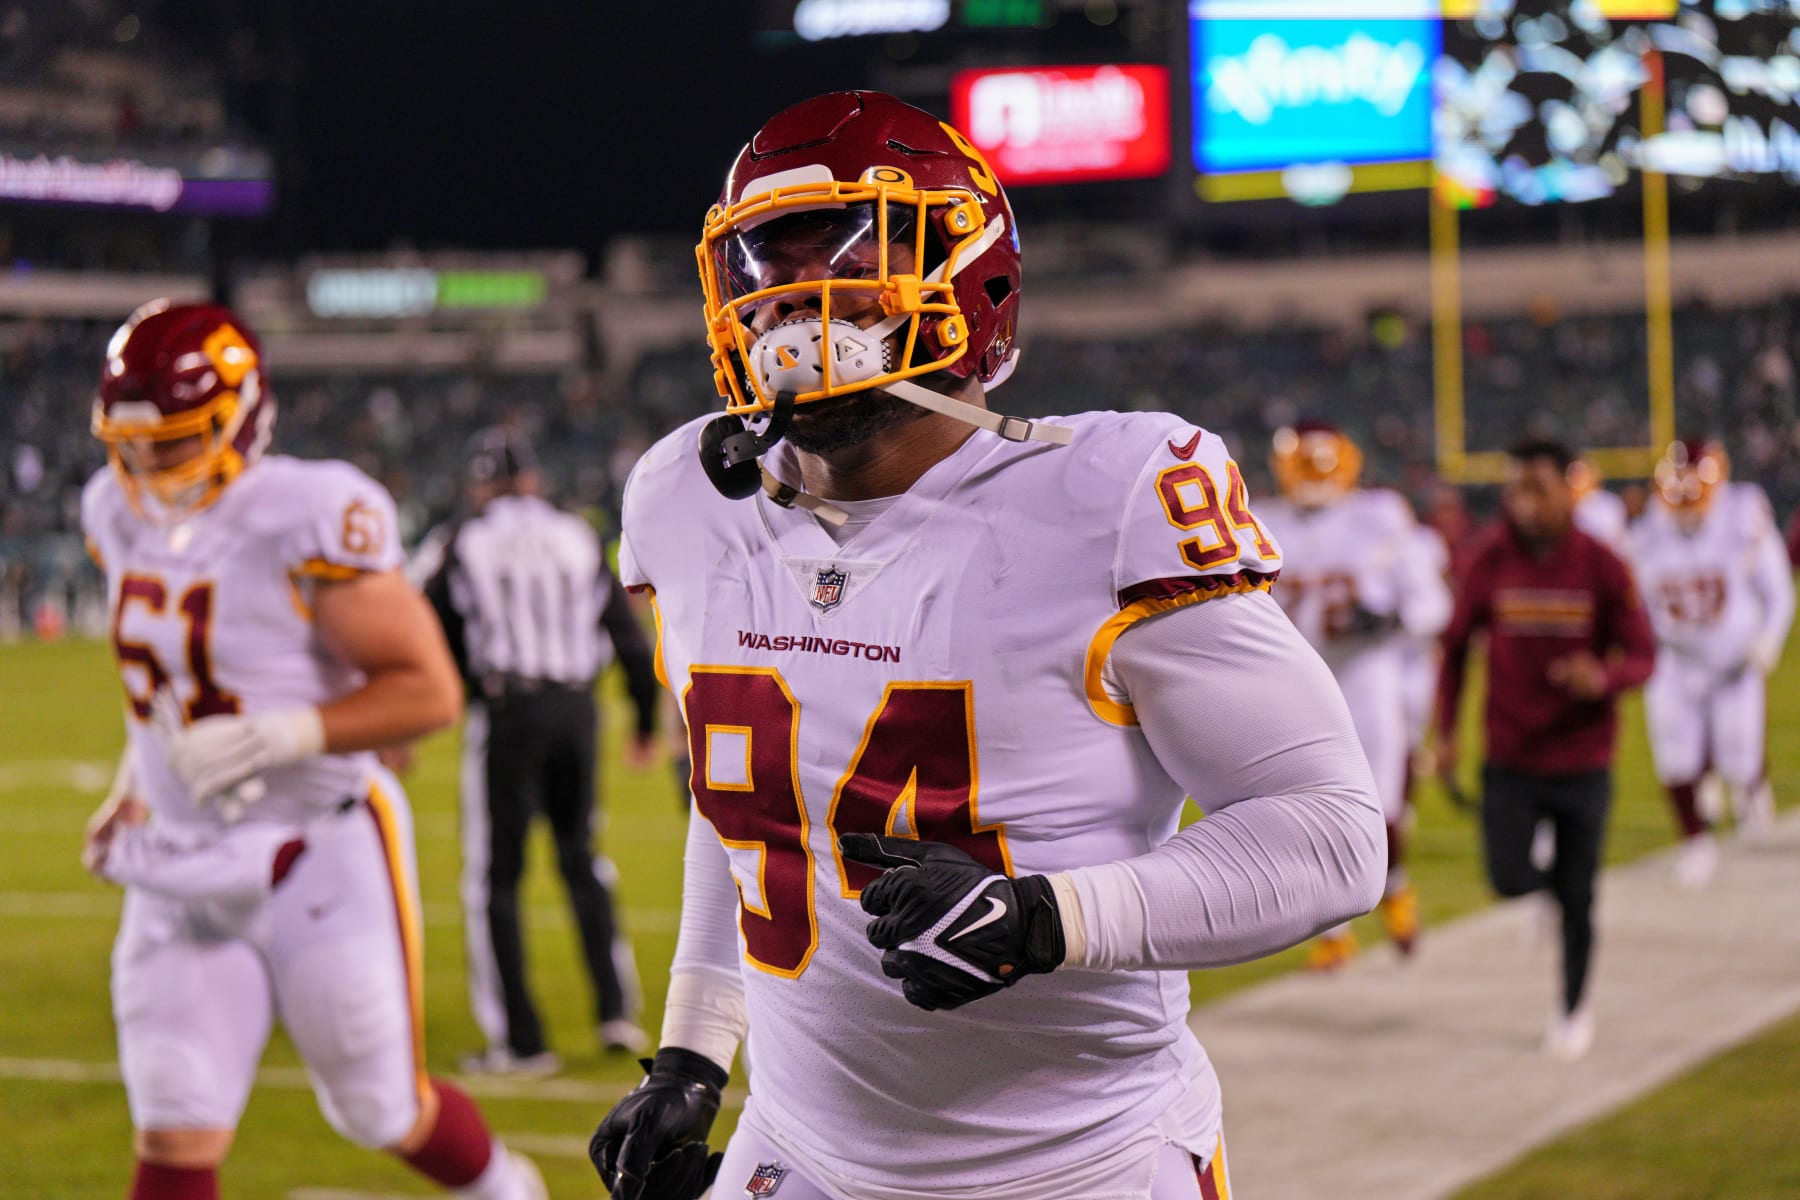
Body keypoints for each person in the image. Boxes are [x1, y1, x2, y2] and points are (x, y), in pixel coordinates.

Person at [586, 91, 1386, 1200]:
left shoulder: (1109, 496)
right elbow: (753, 804)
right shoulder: (688, 495)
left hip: (1078, 1164)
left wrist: (1052, 917)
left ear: (973, 285)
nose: (793, 312)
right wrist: (691, 1044)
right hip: (800, 1152)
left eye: (848, 267)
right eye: (769, 278)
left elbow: (1333, 838)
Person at [78, 300, 545, 1200]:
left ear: (239, 420)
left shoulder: (305, 512)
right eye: (130, 443)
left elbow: (429, 690)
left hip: (317, 854)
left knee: (380, 1110)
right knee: (175, 1126)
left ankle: (506, 1190)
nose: (145, 465)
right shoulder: (113, 509)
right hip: (179, 865)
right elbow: (173, 689)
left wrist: (286, 734)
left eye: (173, 441)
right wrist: (133, 785)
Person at [419, 427, 660, 1073]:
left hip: (510, 710)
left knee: (496, 878)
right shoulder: (577, 534)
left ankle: (521, 1041)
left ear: (483, 484)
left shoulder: (465, 539)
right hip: (578, 710)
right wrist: (642, 717)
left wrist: (461, 694)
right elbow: (628, 636)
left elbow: (426, 631)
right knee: (584, 862)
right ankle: (615, 1012)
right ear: (533, 479)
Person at [1435, 438, 1655, 1060]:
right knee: (1507, 878)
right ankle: (1548, 892)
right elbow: (1454, 646)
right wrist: (1447, 733)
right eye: (1515, 489)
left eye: (1536, 487)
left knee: (1581, 897)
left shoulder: (1604, 563)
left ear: (1570, 488)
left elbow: (1643, 655)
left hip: (1583, 756)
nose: (1523, 502)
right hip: (1511, 752)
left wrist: (1603, 677)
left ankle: (1573, 1008)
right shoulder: (1491, 557)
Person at [1259, 422, 1452, 968]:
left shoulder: (1379, 516)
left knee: (1384, 802)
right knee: (1311, 804)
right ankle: (1335, 927)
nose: (1313, 479)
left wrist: (1392, 616)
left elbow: (1433, 604)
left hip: (1370, 672)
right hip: (1299, 677)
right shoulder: (1261, 521)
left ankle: (1395, 887)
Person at [1626, 438, 1793, 887]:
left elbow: (1777, 590)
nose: (1685, 507)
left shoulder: (1741, 517)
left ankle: (1749, 785)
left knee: (1739, 751)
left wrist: (1767, 643)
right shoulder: (1645, 536)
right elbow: (1632, 607)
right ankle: (1695, 842)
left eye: (1694, 494)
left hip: (1731, 659)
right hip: (1674, 661)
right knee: (1675, 759)